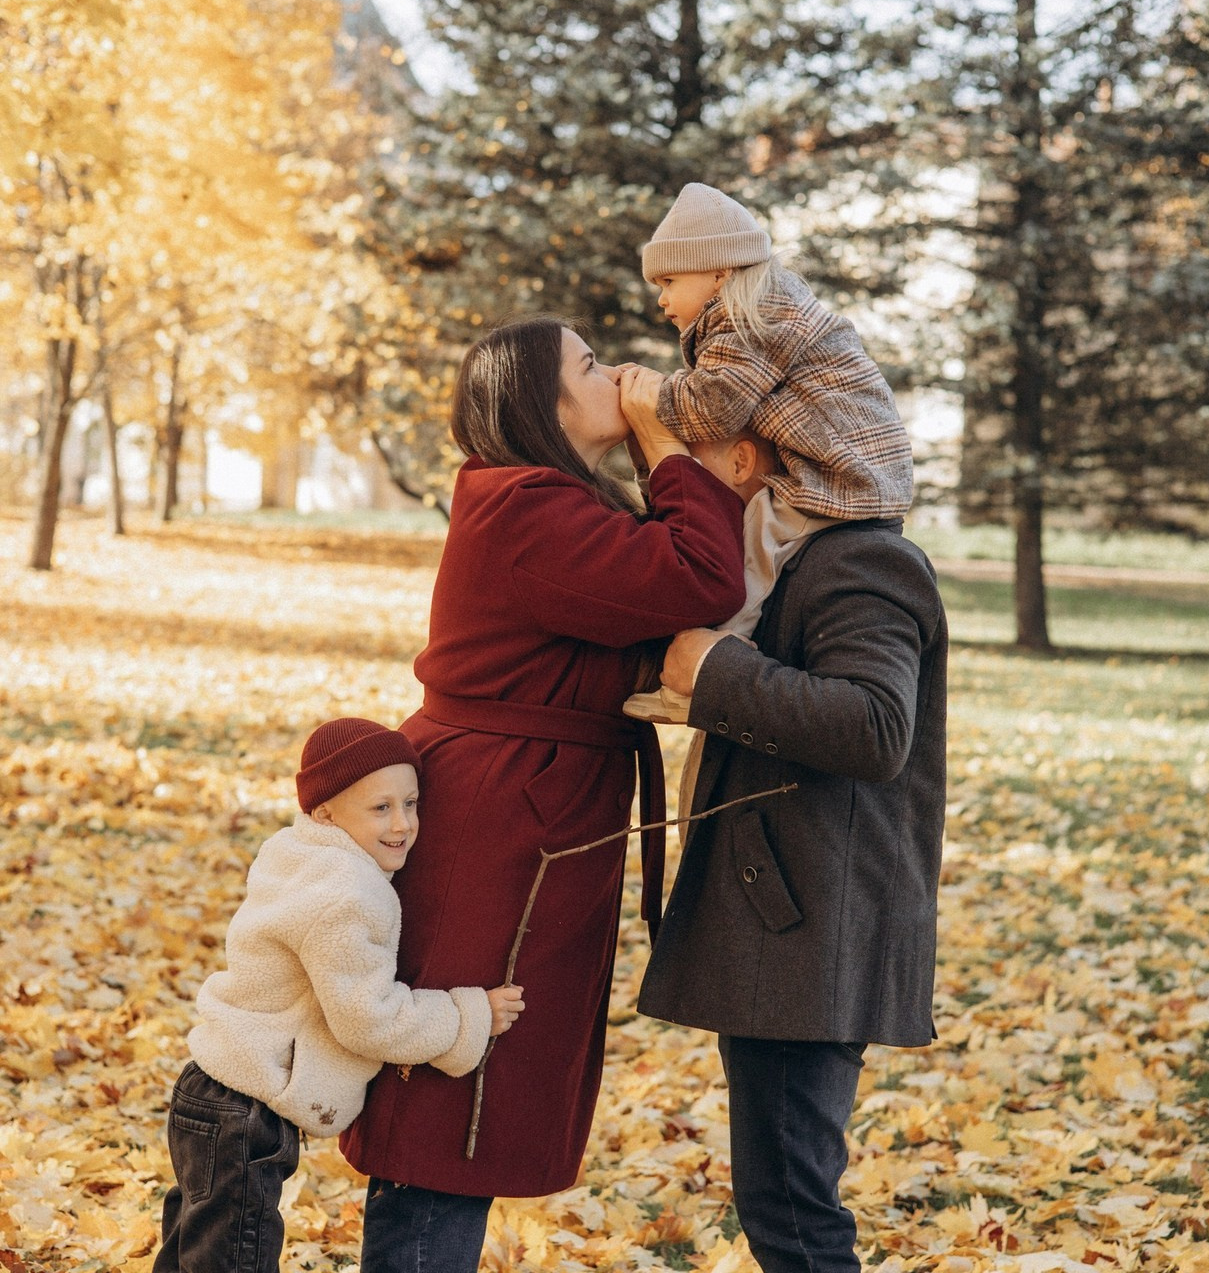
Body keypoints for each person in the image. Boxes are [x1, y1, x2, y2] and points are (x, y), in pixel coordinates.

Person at [339, 317, 747, 1272]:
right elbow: (700, 576)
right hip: (504, 819)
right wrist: (666, 444)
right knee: (453, 1083)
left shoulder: (539, 499)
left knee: (474, 1074)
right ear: (540, 404)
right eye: (591, 366)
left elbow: (668, 583)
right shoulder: (523, 504)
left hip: (530, 805)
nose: (619, 374)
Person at [636, 430, 948, 1273]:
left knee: (792, 1209)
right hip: (786, 913)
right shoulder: (784, 564)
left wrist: (719, 671)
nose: (669, 480)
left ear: (744, 461)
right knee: (783, 1196)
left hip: (813, 924)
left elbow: (875, 727)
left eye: (683, 454)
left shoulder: (861, 560)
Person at [154, 717, 525, 1273]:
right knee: (233, 1260)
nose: (402, 824)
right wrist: (465, 1014)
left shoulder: (297, 855)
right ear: (325, 810)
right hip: (246, 1110)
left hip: (210, 1090)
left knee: (193, 1254)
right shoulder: (347, 894)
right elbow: (367, 1017)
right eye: (380, 808)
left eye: (412, 803)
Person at [620, 181, 915, 725]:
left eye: (668, 281)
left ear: (719, 271)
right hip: (846, 465)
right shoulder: (759, 314)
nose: (661, 298)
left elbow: (714, 407)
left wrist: (649, 399)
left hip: (844, 474)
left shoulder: (754, 319)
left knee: (755, 542)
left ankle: (707, 665)